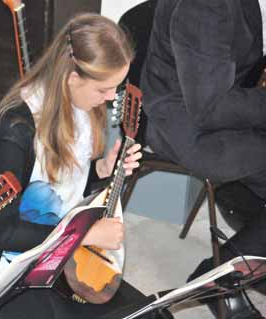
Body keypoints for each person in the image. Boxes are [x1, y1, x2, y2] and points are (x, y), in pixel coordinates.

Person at [0, 13, 169, 319]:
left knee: (150, 314)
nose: (111, 99)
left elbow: (65, 191)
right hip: (10, 271)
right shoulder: (16, 130)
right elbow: (2, 233)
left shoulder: (81, 109)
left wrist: (101, 169)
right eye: (103, 90)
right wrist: (86, 236)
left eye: (116, 88)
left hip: (63, 254)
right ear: (72, 79)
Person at [140, 0, 266, 318]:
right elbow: (212, 108)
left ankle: (248, 260)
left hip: (213, 104)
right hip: (188, 126)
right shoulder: (204, 6)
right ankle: (218, 278)